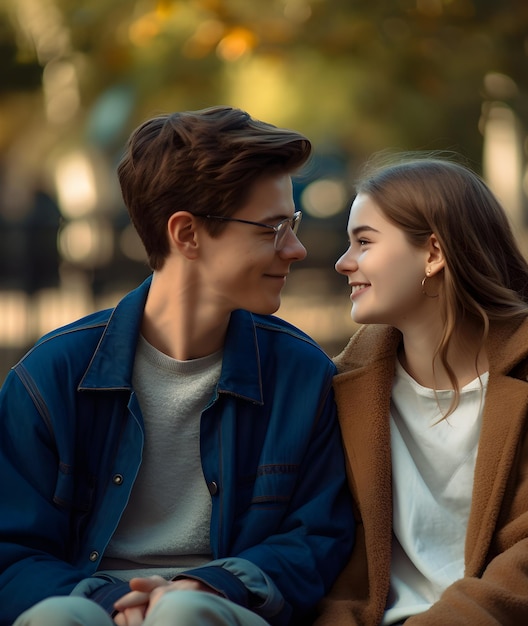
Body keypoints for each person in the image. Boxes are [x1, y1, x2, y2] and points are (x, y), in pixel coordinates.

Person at [0, 105, 354, 626]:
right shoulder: (50, 377)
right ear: (187, 234)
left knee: (184, 616)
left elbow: (316, 540)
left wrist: (201, 586)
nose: (297, 249)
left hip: (225, 608)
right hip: (84, 605)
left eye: (293, 225)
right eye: (273, 228)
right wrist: (108, 603)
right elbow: (10, 555)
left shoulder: (303, 376)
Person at [314, 154, 528, 625]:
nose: (342, 262)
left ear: (434, 253)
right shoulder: (345, 382)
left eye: (364, 243)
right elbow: (334, 559)